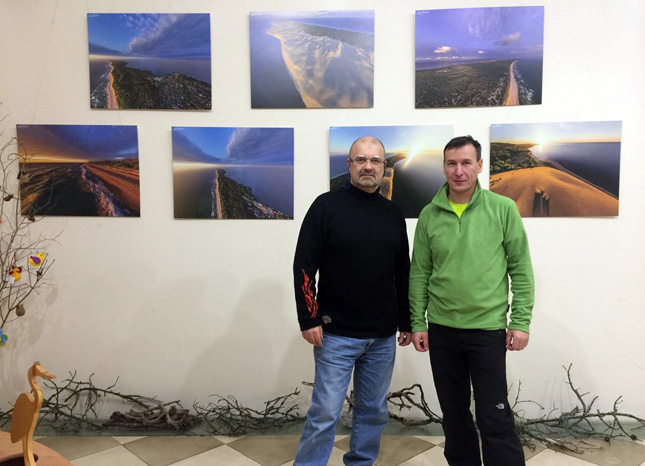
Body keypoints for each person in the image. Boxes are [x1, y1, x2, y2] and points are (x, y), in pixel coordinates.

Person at [409, 135, 534, 466]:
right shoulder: (429, 215)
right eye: (452, 163)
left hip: (487, 331)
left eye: (466, 163)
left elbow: (521, 270)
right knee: (454, 416)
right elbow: (419, 273)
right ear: (444, 167)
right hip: (441, 331)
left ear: (479, 165)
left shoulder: (502, 209)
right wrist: (418, 322)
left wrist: (520, 322)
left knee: (494, 416)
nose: (459, 171)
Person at [293, 136, 411, 466]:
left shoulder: (393, 214)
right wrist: (309, 317)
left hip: (383, 337)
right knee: (325, 413)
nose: (368, 166)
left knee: (372, 413)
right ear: (349, 165)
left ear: (384, 167)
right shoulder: (325, 207)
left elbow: (403, 271)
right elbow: (304, 265)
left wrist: (407, 321)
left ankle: (360, 463)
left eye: (375, 161)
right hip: (335, 335)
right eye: (360, 160)